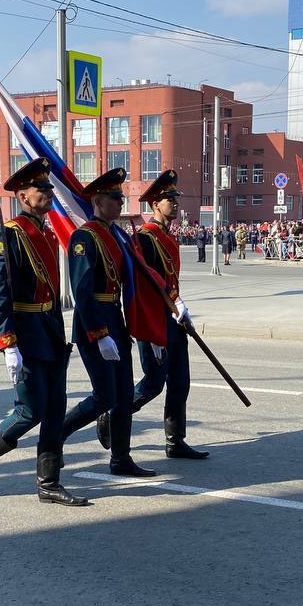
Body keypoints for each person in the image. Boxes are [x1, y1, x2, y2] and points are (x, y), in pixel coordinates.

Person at [0, 157, 87, 506]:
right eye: (40, 188)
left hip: (50, 331)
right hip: (26, 334)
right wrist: (7, 343)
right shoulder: (9, 235)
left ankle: (49, 483)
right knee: (30, 411)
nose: (47, 192)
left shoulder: (46, 232)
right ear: (22, 196)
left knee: (55, 410)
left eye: (48, 187)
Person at [58, 167, 154, 478]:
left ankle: (121, 458)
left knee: (124, 395)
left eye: (121, 197)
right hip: (94, 325)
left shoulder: (115, 235)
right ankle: (57, 434)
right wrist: (100, 334)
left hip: (116, 321)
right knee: (105, 395)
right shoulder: (84, 237)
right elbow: (82, 291)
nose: (121, 202)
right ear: (98, 201)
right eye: (115, 198)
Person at [116, 169, 207, 460]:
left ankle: (175, 441)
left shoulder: (167, 236)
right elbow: (145, 287)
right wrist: (158, 322)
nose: (176, 203)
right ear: (155, 204)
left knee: (180, 382)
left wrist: (180, 308)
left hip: (173, 319)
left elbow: (169, 280)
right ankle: (114, 412)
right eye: (170, 199)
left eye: (176, 198)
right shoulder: (145, 238)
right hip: (154, 320)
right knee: (154, 383)